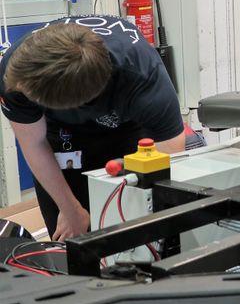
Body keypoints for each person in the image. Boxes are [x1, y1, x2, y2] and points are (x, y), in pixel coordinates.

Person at [0, 16, 186, 240]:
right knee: (72, 237)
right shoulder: (16, 72)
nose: (19, 93)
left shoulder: (142, 76)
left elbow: (170, 158)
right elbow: (34, 144)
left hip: (126, 128)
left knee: (138, 230)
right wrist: (70, 210)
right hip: (58, 135)